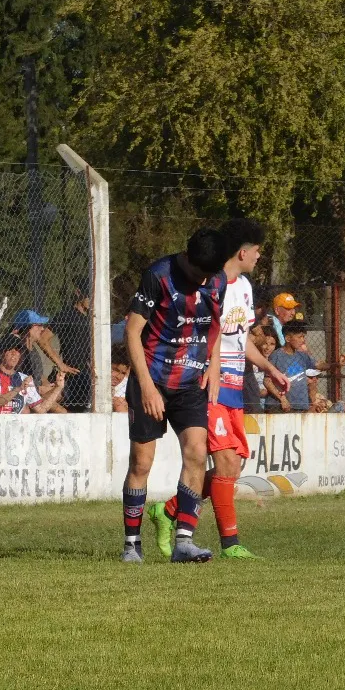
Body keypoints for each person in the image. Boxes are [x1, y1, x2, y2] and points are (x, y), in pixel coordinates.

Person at [148, 219, 291, 561]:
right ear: (242, 252)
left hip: (234, 386)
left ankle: (168, 510)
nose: (259, 257)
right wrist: (207, 369)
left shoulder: (244, 287)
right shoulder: (209, 286)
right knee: (225, 460)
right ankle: (231, 544)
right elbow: (203, 335)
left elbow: (239, 342)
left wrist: (269, 367)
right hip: (207, 383)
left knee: (232, 467)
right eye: (257, 251)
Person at [120, 227, 227, 564]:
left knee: (197, 453)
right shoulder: (158, 276)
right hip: (151, 379)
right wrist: (147, 386)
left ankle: (184, 542)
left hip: (191, 382)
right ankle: (132, 545)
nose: (203, 281)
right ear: (186, 258)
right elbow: (132, 332)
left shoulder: (217, 279)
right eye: (198, 274)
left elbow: (214, 325)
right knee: (142, 461)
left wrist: (214, 364)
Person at [8, 309, 77, 411]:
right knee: (62, 411)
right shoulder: (19, 351)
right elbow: (18, 381)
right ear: (29, 328)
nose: (42, 328)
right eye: (39, 325)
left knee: (61, 396)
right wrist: (41, 389)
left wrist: (47, 384)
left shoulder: (31, 347)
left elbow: (38, 374)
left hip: (35, 392)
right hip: (24, 395)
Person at [0, 334, 65, 414]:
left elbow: (41, 409)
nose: (14, 352)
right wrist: (18, 389)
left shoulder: (24, 378)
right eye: (10, 348)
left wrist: (58, 387)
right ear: (1, 352)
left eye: (18, 349)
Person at [49, 280, 93, 412]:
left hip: (87, 374)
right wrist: (60, 364)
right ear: (78, 293)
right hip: (72, 374)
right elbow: (43, 339)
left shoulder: (91, 319)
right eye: (88, 296)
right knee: (72, 411)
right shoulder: (66, 315)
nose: (91, 301)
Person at [267, 321, 319, 412]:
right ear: (287, 338)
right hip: (279, 407)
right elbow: (267, 381)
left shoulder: (302, 356)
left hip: (300, 407)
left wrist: (337, 363)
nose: (303, 340)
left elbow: (319, 365)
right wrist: (282, 399)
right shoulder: (276, 356)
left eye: (303, 337)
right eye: (300, 337)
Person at [253, 332, 280, 412]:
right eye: (265, 343)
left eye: (272, 344)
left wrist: (270, 391)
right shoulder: (251, 363)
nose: (267, 348)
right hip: (254, 404)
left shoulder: (280, 363)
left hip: (274, 405)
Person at [111, 345, 131, 413]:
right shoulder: (91, 382)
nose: (118, 376)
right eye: (115, 370)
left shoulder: (127, 386)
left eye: (123, 373)